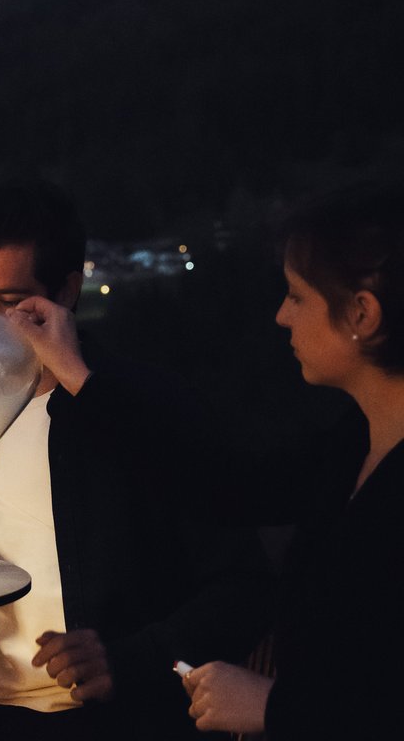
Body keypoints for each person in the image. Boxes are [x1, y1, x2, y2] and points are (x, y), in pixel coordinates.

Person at [0, 178, 273, 741]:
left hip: (112, 718)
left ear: (67, 291)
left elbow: (243, 586)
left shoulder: (145, 412)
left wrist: (132, 658)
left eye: (10, 302)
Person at [183, 182, 404, 739]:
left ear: (362, 313)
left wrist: (275, 707)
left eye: (297, 296)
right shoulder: (354, 440)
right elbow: (233, 487)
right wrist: (83, 379)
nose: (282, 316)